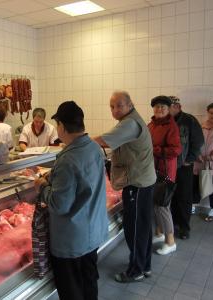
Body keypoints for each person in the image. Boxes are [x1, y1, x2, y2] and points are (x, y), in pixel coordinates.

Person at [34, 101, 108, 300]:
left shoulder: (68, 159)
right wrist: (54, 177)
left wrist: (42, 186)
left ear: (62, 127)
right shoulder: (93, 147)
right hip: (92, 233)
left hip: (72, 241)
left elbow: (59, 204)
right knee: (89, 283)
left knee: (72, 292)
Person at [93, 91, 156, 283]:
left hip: (137, 183)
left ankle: (135, 271)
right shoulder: (130, 120)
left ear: (130, 104)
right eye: (112, 106)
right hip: (144, 181)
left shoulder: (130, 123)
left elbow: (104, 140)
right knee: (144, 226)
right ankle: (144, 265)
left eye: (119, 105)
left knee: (135, 228)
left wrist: (76, 142)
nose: (115, 110)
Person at [148, 96, 182, 255]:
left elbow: (176, 150)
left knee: (162, 206)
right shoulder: (151, 125)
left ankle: (170, 241)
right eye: (156, 107)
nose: (159, 109)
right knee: (156, 204)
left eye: (163, 107)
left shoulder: (171, 126)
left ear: (169, 109)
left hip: (166, 172)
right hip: (153, 171)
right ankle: (159, 233)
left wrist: (154, 150)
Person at [169, 96, 204, 239]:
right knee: (170, 196)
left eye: (170, 106)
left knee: (184, 197)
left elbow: (198, 142)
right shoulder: (163, 121)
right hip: (168, 166)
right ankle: (172, 223)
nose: (167, 109)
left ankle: (184, 227)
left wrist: (189, 160)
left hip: (184, 166)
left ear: (178, 106)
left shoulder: (189, 120)